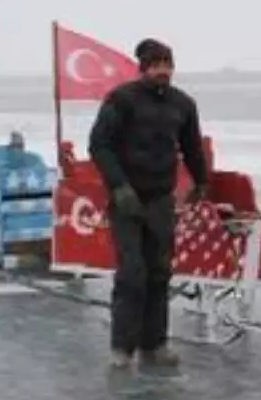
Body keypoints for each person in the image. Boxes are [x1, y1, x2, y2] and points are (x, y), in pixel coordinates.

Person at [88, 38, 208, 370]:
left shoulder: (183, 104)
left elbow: (192, 146)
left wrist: (201, 180)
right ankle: (122, 348)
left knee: (160, 271)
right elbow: (99, 145)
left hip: (160, 199)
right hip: (127, 199)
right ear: (143, 68)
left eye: (167, 65)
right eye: (156, 65)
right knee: (132, 273)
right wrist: (118, 187)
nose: (163, 71)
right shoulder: (121, 99)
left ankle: (154, 343)